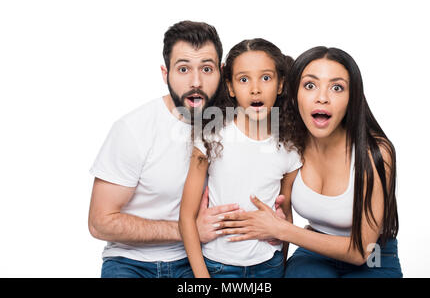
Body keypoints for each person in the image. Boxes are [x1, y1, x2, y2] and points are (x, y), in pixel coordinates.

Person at [216, 46, 403, 278]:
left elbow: (360, 251)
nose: (322, 97)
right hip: (315, 250)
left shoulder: (376, 152)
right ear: (294, 94)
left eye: (336, 87)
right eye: (310, 85)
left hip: (374, 255)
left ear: (351, 97)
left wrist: (282, 229)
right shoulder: (290, 145)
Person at [88, 21, 242, 278]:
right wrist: (187, 229)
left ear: (221, 72)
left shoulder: (234, 124)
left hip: (201, 259)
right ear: (165, 73)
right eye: (183, 69)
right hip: (131, 262)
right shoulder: (133, 129)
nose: (196, 81)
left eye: (206, 68)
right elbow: (99, 222)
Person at [179, 38, 303, 278]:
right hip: (217, 266)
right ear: (231, 87)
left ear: (280, 85)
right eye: (244, 79)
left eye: (266, 78)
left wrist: (282, 265)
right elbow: (186, 216)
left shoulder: (290, 148)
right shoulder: (211, 137)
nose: (255, 88)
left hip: (269, 265)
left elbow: (285, 216)